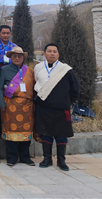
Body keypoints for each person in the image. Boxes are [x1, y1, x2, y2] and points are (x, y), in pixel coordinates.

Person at [34, 43, 79, 171]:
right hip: (43, 108)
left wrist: (65, 101)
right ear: (44, 53)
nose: (52, 53)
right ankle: (46, 159)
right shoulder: (38, 68)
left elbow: (75, 90)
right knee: (45, 134)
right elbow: (35, 85)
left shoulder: (66, 69)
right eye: (49, 51)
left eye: (55, 51)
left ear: (58, 54)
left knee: (61, 135)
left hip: (61, 109)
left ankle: (61, 160)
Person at [0, 46, 35, 167]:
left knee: (26, 132)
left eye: (19, 56)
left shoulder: (30, 71)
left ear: (23, 57)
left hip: (27, 107)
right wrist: (1, 103)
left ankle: (25, 157)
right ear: (10, 57)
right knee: (11, 132)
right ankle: (12, 157)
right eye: (14, 56)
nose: (17, 58)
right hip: (10, 105)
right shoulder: (4, 70)